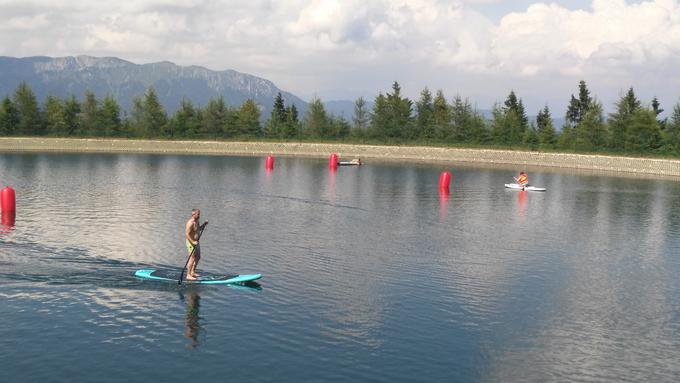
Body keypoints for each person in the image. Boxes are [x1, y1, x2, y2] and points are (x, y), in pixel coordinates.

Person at [185, 208, 208, 281]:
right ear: (193, 214)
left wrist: (204, 225)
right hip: (190, 242)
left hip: (196, 241)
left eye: (199, 214)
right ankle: (188, 275)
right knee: (192, 258)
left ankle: (192, 272)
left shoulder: (197, 221)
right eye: (198, 214)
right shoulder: (190, 223)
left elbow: (198, 229)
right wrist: (193, 242)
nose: (199, 216)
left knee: (198, 257)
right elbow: (187, 234)